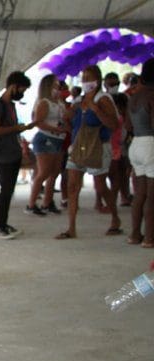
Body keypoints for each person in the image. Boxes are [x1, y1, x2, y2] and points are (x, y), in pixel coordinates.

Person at [56, 64, 121, 239]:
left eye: (89, 78)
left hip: (98, 146)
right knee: (72, 185)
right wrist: (67, 119)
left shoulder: (104, 99)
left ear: (97, 80)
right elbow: (71, 125)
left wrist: (96, 110)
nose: (86, 82)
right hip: (78, 146)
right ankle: (71, 227)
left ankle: (115, 218)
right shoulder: (78, 102)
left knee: (100, 186)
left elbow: (114, 125)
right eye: (83, 78)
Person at [0, 71, 35, 239]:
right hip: (3, 155)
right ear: (13, 86)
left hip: (13, 152)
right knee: (5, 191)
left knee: (9, 191)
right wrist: (18, 128)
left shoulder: (12, 106)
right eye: (22, 89)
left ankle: (4, 223)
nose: (22, 93)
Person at [27, 74, 68, 216]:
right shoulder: (44, 102)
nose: (58, 88)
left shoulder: (59, 102)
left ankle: (47, 202)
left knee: (54, 172)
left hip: (58, 139)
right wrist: (57, 129)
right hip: (46, 139)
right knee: (43, 172)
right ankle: (31, 204)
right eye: (55, 85)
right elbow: (38, 122)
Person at [127, 58, 154, 248]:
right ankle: (149, 238)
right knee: (152, 196)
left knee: (139, 194)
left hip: (135, 143)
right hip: (151, 144)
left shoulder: (134, 97)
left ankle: (135, 235)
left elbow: (128, 125)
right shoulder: (153, 96)